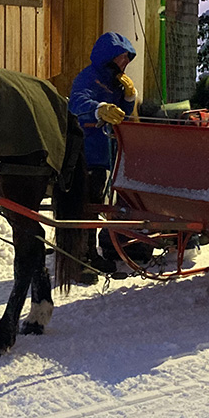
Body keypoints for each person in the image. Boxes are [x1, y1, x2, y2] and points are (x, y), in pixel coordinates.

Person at [68, 32, 139, 277]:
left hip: (106, 152)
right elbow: (76, 103)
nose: (123, 63)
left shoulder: (115, 82)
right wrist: (98, 109)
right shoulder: (89, 77)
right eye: (120, 58)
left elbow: (123, 115)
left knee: (95, 202)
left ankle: (87, 252)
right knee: (86, 205)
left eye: (126, 59)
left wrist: (129, 98)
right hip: (87, 151)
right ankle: (82, 257)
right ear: (107, 57)